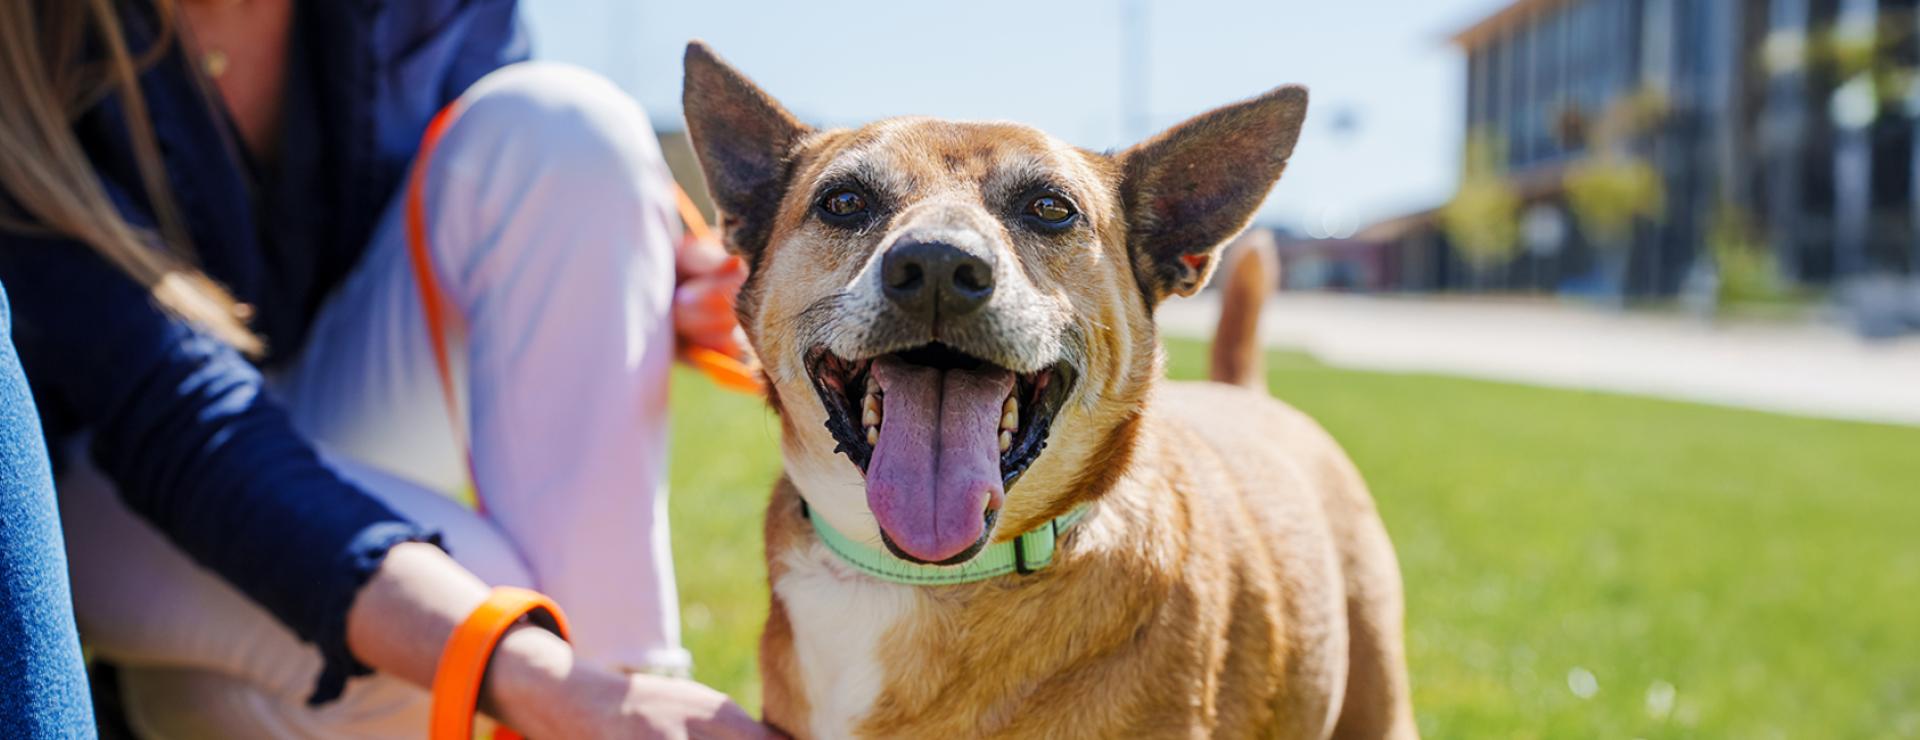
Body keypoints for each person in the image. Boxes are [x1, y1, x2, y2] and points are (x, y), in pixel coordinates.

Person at [0, 0, 767, 736]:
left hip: (345, 410)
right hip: (105, 486)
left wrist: (635, 268)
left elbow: (514, 178)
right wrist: (534, 673)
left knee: (569, 127)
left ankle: (631, 690)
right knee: (475, 617)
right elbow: (177, 423)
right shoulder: (28, 49)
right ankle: (159, 700)